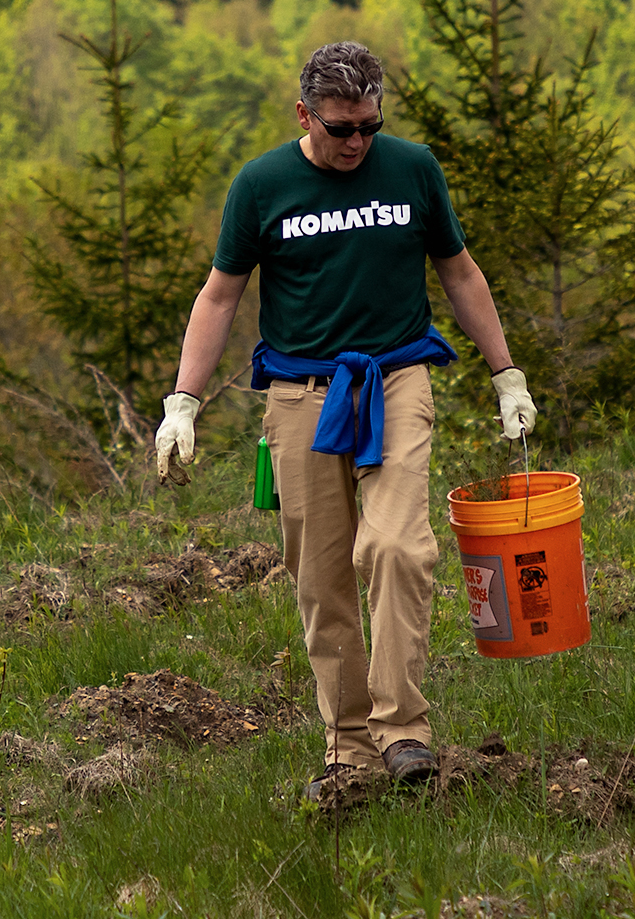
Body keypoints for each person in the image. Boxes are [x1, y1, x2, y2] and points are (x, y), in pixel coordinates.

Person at [155, 41, 534, 800]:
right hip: (300, 396)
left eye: (369, 125)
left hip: (395, 381)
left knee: (397, 547)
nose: (357, 142)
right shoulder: (262, 185)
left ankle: (403, 732)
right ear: (305, 115)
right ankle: (350, 749)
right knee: (321, 576)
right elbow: (221, 296)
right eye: (340, 128)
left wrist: (507, 375)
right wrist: (183, 403)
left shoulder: (413, 169)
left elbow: (459, 272)